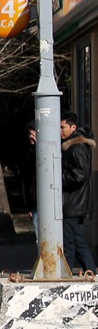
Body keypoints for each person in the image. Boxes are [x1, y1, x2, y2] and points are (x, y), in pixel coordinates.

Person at [60, 112, 96, 275]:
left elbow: (81, 173)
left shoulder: (75, 147)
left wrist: (60, 178)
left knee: (70, 241)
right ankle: (90, 271)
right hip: (76, 201)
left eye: (63, 127)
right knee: (77, 239)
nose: (60, 130)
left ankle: (66, 275)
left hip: (74, 202)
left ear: (73, 127)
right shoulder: (74, 146)